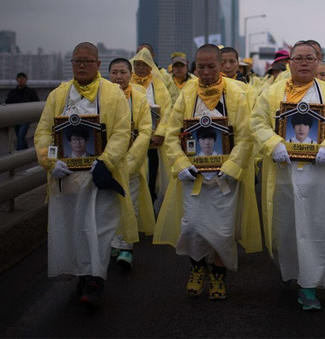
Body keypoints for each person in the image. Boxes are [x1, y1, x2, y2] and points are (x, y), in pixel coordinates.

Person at [251, 40, 325, 311]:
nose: (304, 63)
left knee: (316, 227)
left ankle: (310, 285)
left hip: (320, 173)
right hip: (283, 170)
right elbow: (257, 122)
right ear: (289, 63)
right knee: (285, 228)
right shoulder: (271, 94)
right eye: (298, 58)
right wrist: (274, 144)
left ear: (318, 62)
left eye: (310, 58)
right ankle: (291, 271)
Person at [154, 44, 261, 301]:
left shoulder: (236, 94)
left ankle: (218, 275)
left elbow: (246, 137)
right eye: (200, 67)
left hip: (225, 178)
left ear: (221, 64)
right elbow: (171, 133)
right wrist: (180, 165)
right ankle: (197, 267)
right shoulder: (187, 93)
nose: (205, 71)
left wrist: (231, 168)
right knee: (192, 227)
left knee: (223, 231)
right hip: (195, 177)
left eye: (211, 66)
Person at [34, 42, 137, 307]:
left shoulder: (114, 95)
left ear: (97, 64)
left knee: (99, 230)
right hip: (66, 178)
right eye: (77, 61)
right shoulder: (58, 95)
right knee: (73, 229)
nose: (81, 65)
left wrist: (105, 161)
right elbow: (44, 131)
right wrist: (49, 160)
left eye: (87, 61)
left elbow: (122, 132)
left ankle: (95, 279)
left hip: (99, 178)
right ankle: (83, 272)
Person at [108, 58, 155, 269]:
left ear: (130, 75)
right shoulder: (103, 96)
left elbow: (146, 129)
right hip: (108, 161)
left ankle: (126, 247)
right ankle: (113, 242)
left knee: (130, 203)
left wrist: (131, 160)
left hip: (132, 161)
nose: (118, 77)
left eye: (122, 72)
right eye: (114, 72)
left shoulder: (139, 97)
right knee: (109, 204)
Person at [130, 47, 172, 208]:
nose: (140, 68)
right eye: (137, 64)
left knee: (153, 172)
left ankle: (152, 201)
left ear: (150, 67)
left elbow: (168, 110)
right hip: (133, 139)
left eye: (144, 65)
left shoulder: (159, 85)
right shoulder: (127, 83)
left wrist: (160, 132)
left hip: (154, 140)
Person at [5, 72, 40, 150]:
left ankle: (18, 154)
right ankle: (25, 153)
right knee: (19, 136)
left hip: (26, 118)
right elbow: (7, 102)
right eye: (19, 78)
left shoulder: (31, 92)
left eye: (22, 78)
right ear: (17, 80)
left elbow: (36, 103)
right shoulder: (13, 92)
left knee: (20, 135)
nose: (21, 80)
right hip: (15, 117)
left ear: (26, 80)